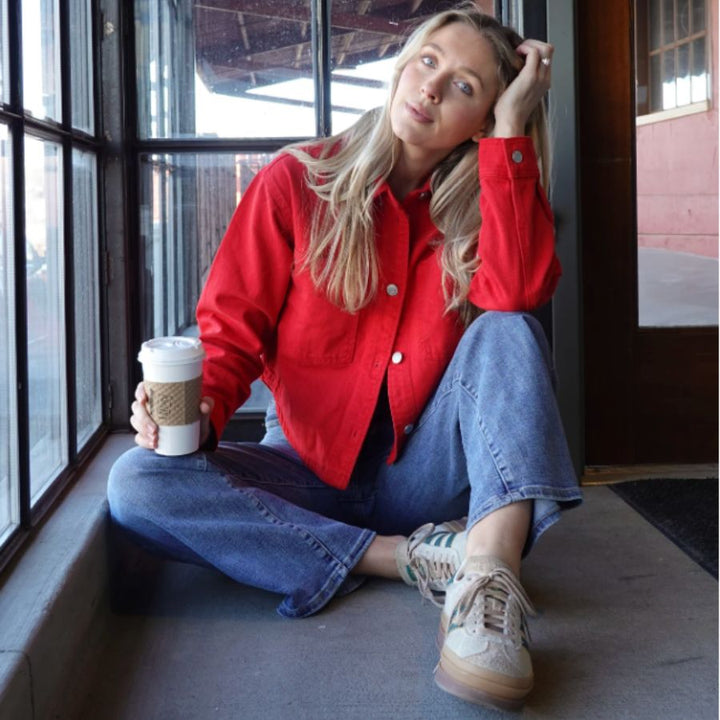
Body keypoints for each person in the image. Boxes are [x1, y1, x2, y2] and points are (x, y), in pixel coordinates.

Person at [108, 3, 582, 711]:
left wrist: (512, 132)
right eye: (427, 62)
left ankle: (486, 580)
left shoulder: (491, 199)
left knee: (508, 330)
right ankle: (415, 560)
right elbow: (231, 336)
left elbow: (517, 292)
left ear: (483, 121)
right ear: (403, 65)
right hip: (305, 469)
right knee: (137, 484)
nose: (430, 87)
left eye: (464, 86)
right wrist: (196, 411)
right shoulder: (296, 182)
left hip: (426, 477)